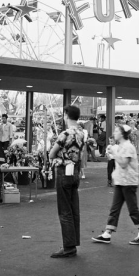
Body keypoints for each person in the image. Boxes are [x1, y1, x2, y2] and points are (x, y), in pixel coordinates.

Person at [92, 124, 139, 245]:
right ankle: (107, 233)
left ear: (122, 134)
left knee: (132, 209)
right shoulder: (121, 146)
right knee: (115, 208)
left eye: (116, 131)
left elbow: (123, 163)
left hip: (128, 182)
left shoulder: (127, 147)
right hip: (122, 182)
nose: (114, 133)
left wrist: (113, 153)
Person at [49, 105, 85, 258]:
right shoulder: (82, 133)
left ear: (65, 115)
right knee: (73, 208)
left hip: (64, 173)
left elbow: (51, 154)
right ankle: (73, 243)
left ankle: (68, 247)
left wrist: (60, 159)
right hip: (75, 173)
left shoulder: (65, 134)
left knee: (64, 210)